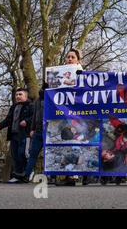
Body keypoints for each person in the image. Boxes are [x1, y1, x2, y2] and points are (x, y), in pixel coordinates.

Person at [55, 48, 84, 186]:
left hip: (77, 115)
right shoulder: (60, 75)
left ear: (78, 60)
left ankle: (72, 177)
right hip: (64, 114)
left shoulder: (82, 74)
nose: (69, 59)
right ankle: (66, 175)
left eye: (72, 57)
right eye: (68, 57)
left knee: (74, 144)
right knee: (65, 143)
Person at [0, 88, 34, 183]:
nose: (18, 96)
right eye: (16, 95)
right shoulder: (13, 107)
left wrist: (26, 121)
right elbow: (8, 119)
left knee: (23, 153)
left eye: (20, 94)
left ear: (25, 96)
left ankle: (28, 172)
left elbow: (34, 117)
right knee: (15, 155)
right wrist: (0, 125)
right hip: (14, 134)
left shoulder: (31, 106)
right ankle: (17, 175)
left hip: (25, 134)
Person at [15, 83, 48, 183]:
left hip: (49, 130)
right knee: (33, 154)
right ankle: (26, 174)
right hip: (38, 131)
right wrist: (32, 129)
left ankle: (52, 176)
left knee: (49, 154)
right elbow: (35, 116)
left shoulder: (56, 97)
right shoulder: (38, 100)